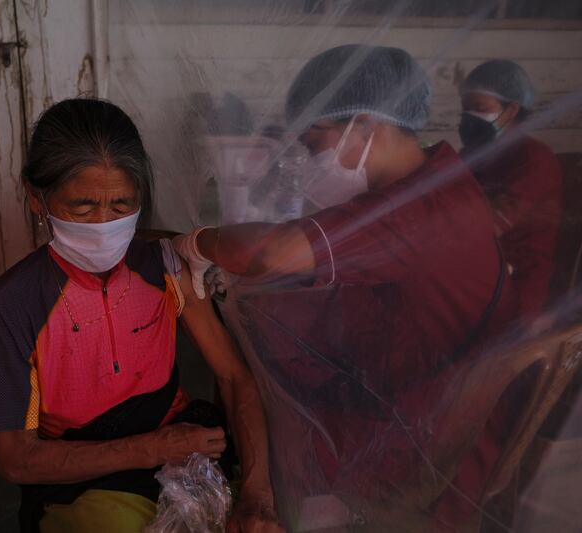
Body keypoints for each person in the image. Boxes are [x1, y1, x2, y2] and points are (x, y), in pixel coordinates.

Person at [173, 45, 517, 528]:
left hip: (426, 444)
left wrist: (197, 243)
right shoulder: (434, 174)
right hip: (422, 391)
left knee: (260, 370)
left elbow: (274, 251)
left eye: (316, 142)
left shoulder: (416, 210)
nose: (311, 160)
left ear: (366, 126)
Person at [0, 99, 282, 533]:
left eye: (122, 206)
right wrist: (153, 448)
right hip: (84, 472)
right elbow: (15, 458)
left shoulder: (162, 266)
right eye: (83, 209)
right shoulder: (14, 304)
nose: (104, 225)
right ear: (35, 197)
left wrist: (258, 495)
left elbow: (234, 378)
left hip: (182, 442)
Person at [459, 59, 563, 320]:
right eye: (465, 109)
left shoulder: (535, 159)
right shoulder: (472, 155)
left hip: (516, 289)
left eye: (479, 108)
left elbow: (489, 225)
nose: (469, 117)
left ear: (512, 110)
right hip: (475, 274)